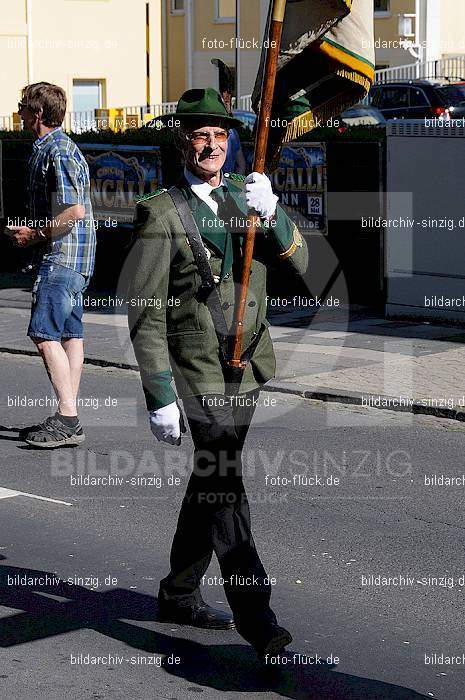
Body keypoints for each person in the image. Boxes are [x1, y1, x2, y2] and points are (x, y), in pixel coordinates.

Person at [127, 87, 308, 660]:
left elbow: (310, 267)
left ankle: (179, 592)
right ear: (181, 141)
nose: (211, 145)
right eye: (200, 135)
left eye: (220, 136)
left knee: (211, 483)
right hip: (197, 372)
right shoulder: (161, 211)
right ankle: (258, 617)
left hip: (247, 366)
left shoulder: (244, 196)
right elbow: (144, 311)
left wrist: (273, 214)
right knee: (226, 485)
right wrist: (159, 393)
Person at [5, 82, 96, 448]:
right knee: (71, 335)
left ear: (38, 113)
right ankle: (67, 415)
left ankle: (67, 418)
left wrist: (33, 235)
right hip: (76, 259)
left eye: (23, 107)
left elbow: (73, 212)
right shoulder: (59, 148)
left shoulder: (57, 152)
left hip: (62, 258)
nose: (20, 113)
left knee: (44, 334)